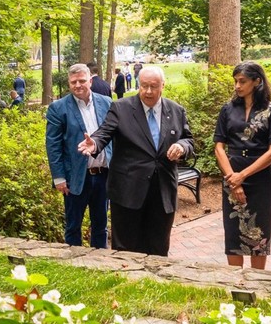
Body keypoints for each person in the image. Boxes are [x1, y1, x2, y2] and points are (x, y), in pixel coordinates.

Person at [77, 66, 194, 256]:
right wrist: (95, 144)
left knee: (158, 246)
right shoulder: (121, 107)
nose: (148, 91)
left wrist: (182, 146)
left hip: (162, 190)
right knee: (126, 248)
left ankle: (155, 283)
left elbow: (188, 139)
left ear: (163, 86)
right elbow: (104, 132)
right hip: (128, 190)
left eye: (153, 86)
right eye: (144, 86)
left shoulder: (176, 110)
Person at [213, 61, 271, 270]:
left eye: (242, 81)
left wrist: (242, 176)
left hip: (260, 178)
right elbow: (218, 147)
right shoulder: (228, 109)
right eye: (235, 81)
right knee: (233, 234)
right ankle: (236, 284)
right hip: (230, 175)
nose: (237, 86)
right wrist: (233, 180)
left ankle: (257, 284)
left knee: (259, 235)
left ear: (257, 81)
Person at [46, 63, 112, 248]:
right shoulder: (58, 108)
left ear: (90, 81)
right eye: (73, 82)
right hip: (75, 177)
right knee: (73, 225)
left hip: (103, 175)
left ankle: (100, 264)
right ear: (69, 83)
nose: (78, 85)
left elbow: (114, 136)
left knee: (101, 225)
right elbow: (53, 145)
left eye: (82, 80)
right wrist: (59, 177)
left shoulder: (106, 103)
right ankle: (73, 265)